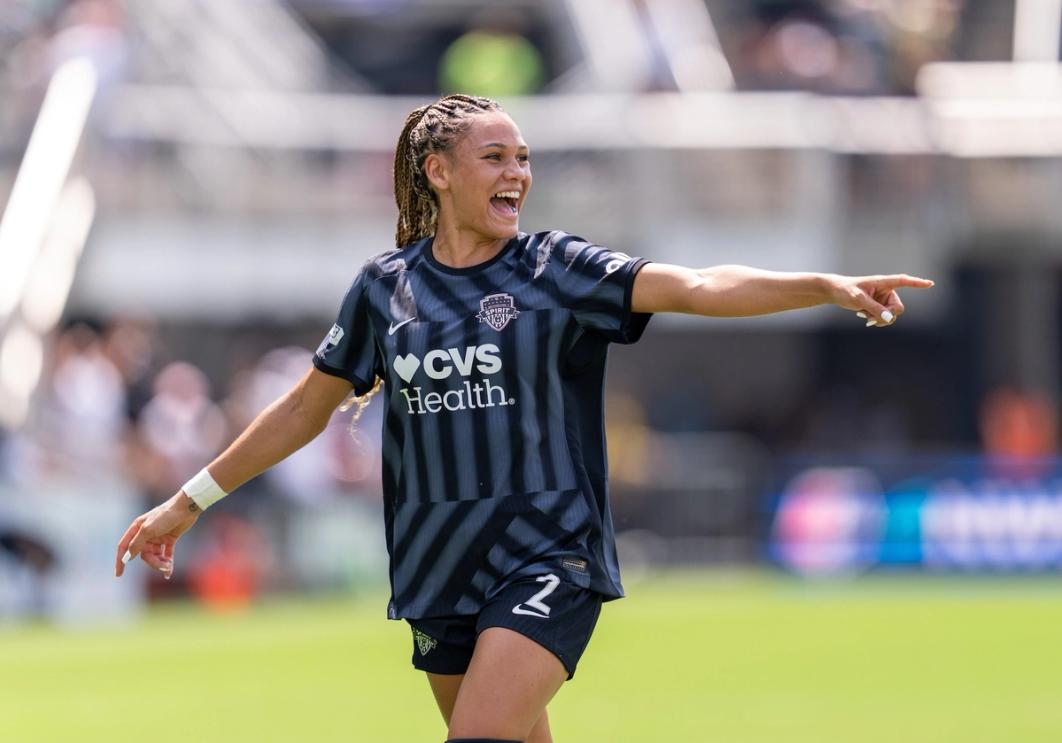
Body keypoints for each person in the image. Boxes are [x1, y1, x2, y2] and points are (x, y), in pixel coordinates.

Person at [114, 94, 934, 743]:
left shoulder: (555, 267)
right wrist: (187, 500)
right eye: (496, 157)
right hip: (436, 572)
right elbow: (304, 408)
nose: (518, 173)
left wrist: (822, 284)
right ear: (436, 171)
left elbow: (697, 284)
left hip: (548, 557)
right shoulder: (383, 288)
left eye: (525, 158)